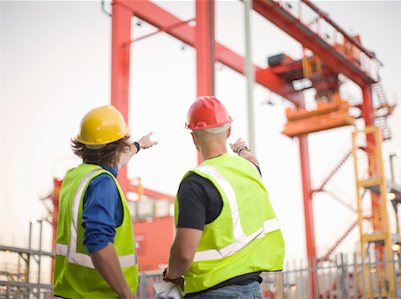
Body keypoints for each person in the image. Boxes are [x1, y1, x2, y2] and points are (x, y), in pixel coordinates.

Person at [163, 96, 285, 298]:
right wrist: (241, 149)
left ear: (194, 137)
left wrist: (173, 274)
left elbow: (184, 253)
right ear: (228, 131)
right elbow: (252, 160)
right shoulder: (250, 171)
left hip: (212, 292)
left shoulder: (196, 183)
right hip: (254, 291)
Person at [53, 105, 158, 298]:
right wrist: (126, 294)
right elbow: (98, 242)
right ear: (118, 146)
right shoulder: (102, 182)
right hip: (98, 294)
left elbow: (114, 161)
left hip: (69, 290)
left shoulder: (74, 177)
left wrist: (138, 145)